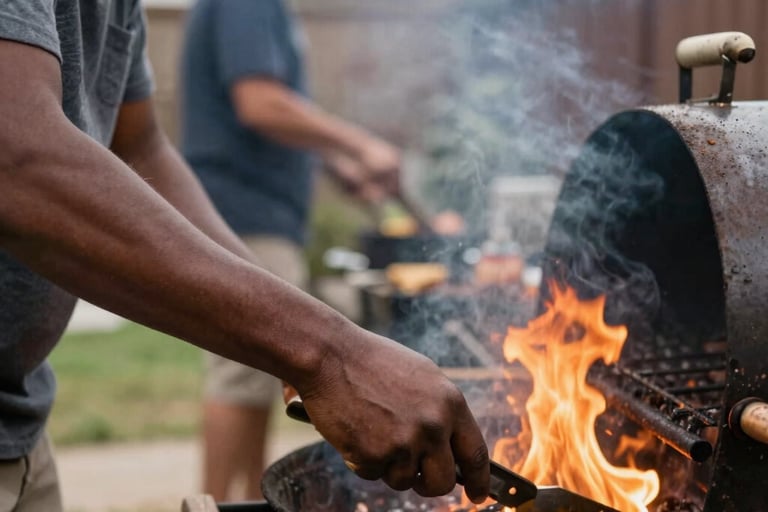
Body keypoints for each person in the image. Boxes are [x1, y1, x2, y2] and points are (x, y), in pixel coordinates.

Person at [0, 1, 490, 511]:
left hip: (22, 419)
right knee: (237, 383)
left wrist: (292, 329)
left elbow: (140, 146)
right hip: (247, 210)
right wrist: (330, 353)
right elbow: (14, 154)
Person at [178, 0, 405, 501]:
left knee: (260, 372)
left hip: (258, 214)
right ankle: (212, 502)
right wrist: (358, 143)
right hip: (243, 215)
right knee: (239, 373)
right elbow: (259, 102)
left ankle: (250, 500)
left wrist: (334, 164)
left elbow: (270, 111)